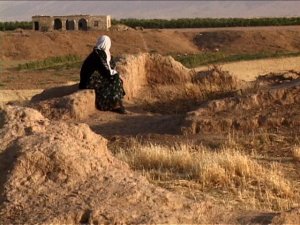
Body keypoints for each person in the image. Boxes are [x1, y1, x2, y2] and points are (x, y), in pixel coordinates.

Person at [79, 35, 126, 114]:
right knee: (114, 80)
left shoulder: (101, 53)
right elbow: (106, 71)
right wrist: (113, 75)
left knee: (117, 79)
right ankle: (107, 104)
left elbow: (110, 66)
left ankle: (116, 102)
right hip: (87, 81)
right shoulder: (98, 55)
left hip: (93, 78)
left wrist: (110, 58)